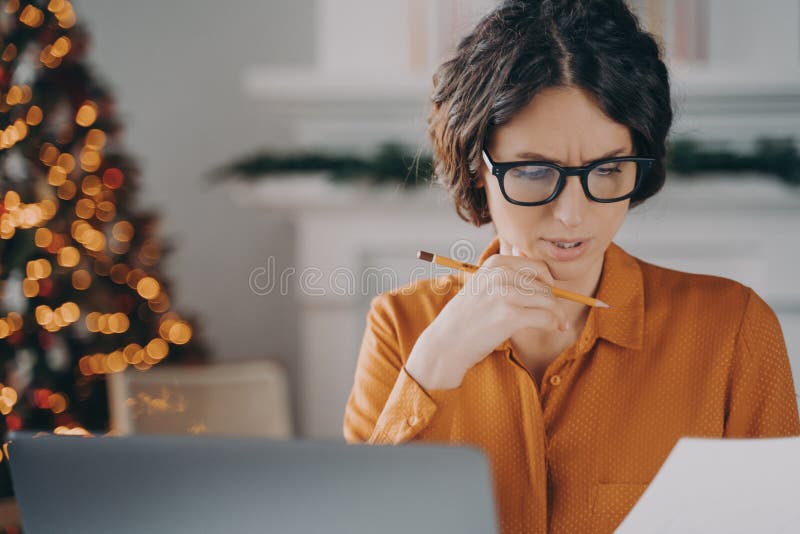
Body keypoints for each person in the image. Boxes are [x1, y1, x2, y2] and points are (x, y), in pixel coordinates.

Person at [342, 1, 800, 533]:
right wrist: (435, 363)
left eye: (608, 169)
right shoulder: (401, 328)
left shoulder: (732, 328)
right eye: (535, 170)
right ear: (477, 168)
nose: (573, 215)